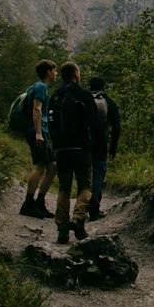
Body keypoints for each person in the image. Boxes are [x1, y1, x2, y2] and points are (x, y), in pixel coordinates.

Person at [48, 60, 104, 244]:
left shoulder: (54, 96)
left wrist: (55, 145)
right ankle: (79, 219)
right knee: (85, 186)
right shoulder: (83, 95)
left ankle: (62, 230)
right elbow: (95, 124)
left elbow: (50, 123)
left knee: (64, 188)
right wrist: (97, 146)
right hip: (81, 148)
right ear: (76, 74)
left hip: (61, 149)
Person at [18, 59, 58, 218]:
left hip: (40, 129)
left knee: (52, 167)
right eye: (54, 70)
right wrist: (39, 132)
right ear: (48, 71)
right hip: (38, 130)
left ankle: (39, 202)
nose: (56, 74)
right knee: (39, 165)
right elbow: (37, 108)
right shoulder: (41, 87)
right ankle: (28, 203)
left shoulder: (37, 87)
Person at [87, 77, 122, 219]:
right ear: (104, 87)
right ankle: (94, 209)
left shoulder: (84, 100)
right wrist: (113, 148)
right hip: (100, 145)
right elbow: (116, 128)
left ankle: (80, 207)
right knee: (98, 175)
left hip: (82, 144)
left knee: (84, 176)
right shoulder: (109, 103)